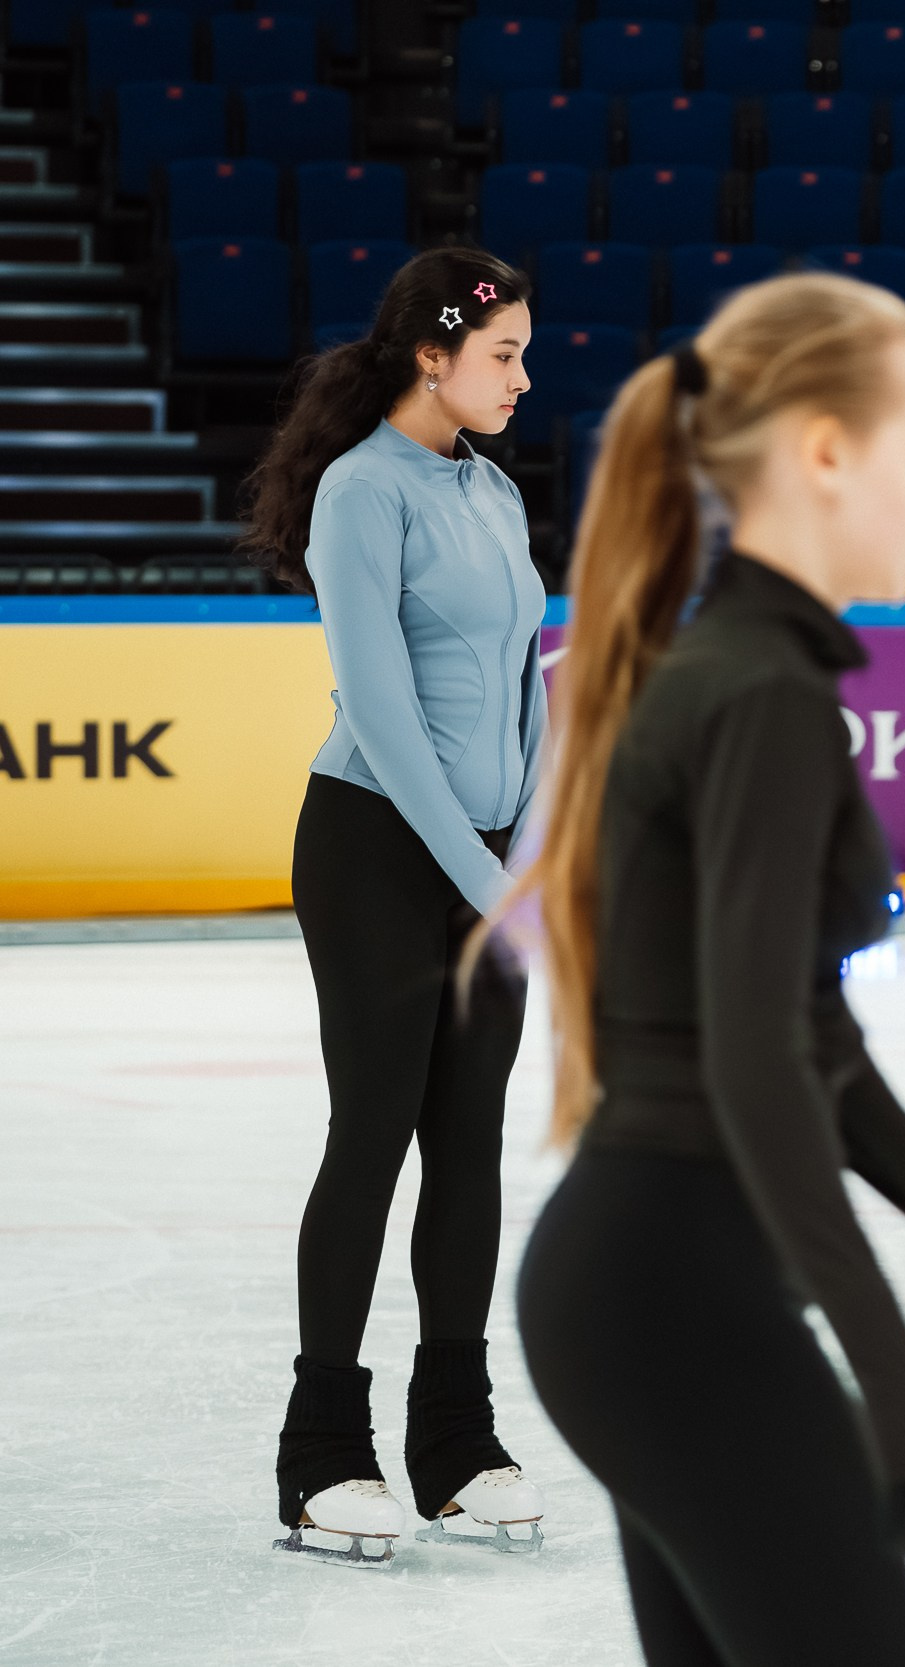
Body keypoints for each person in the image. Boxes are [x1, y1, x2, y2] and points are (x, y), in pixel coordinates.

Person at [507, 273, 905, 1666]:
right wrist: (894, 1377)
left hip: (638, 1289)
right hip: (673, 1293)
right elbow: (756, 1059)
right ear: (825, 451)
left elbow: (815, 1047)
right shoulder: (758, 692)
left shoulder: (746, 675)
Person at [238, 246, 550, 1565]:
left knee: (467, 1139)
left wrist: (522, 861)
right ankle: (320, 1454)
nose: (523, 379)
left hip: (484, 852)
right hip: (373, 844)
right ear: (433, 352)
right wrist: (486, 881)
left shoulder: (494, 489)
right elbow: (380, 708)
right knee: (373, 1132)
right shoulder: (364, 493)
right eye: (505, 354)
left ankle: (455, 1441)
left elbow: (528, 681)